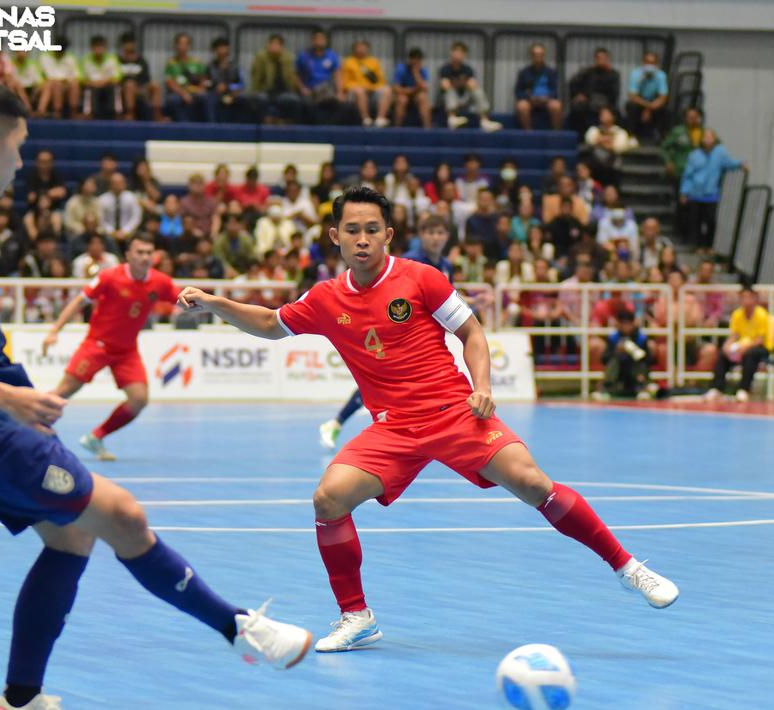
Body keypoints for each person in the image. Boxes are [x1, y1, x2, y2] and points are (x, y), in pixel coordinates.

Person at [0, 80, 311, 710]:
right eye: (19, 146)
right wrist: (8, 401)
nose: (20, 162)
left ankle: (20, 699)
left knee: (71, 538)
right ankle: (239, 629)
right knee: (122, 516)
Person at [178, 186, 678, 653]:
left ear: (388, 235)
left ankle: (628, 567)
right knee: (328, 498)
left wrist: (483, 386)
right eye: (352, 230)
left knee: (532, 482)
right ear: (335, 236)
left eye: (372, 229)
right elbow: (270, 324)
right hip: (392, 428)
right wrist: (214, 303)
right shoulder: (326, 298)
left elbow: (472, 333)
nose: (362, 239)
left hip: (453, 411)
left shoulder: (421, 278)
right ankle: (356, 618)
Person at [318, 214, 456, 450]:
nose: (435, 238)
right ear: (421, 236)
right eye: (430, 233)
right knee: (380, 383)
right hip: (391, 332)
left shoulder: (446, 265)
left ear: (447, 237)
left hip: (421, 337)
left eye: (440, 233)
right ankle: (339, 423)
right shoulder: (412, 262)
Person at [43, 234, 173, 461]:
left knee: (139, 399)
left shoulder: (160, 282)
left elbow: (182, 299)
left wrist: (213, 306)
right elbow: (79, 301)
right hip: (97, 345)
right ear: (128, 255)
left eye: (148, 253)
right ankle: (21, 426)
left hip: (127, 351)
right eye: (140, 252)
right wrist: (54, 331)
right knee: (62, 393)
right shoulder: (109, 277)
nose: (145, 257)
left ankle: (96, 437)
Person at [680, 129, 745, 254]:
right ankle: (698, 246)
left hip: (711, 194)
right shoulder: (694, 155)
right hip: (695, 193)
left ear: (714, 139)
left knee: (710, 220)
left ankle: (709, 245)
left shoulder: (720, 152)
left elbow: (729, 163)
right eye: (705, 136)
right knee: (696, 221)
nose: (707, 139)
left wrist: (740, 164)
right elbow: (688, 175)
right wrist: (684, 192)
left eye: (710, 137)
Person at [705, 286, 773, 402]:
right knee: (722, 354)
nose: (746, 300)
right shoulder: (737, 314)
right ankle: (716, 389)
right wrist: (727, 346)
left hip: (760, 348)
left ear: (754, 298)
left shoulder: (762, 314)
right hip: (741, 347)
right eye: (743, 297)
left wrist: (744, 348)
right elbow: (734, 335)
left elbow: (760, 339)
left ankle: (744, 390)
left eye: (748, 297)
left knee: (750, 354)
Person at [438, 42, 502, 131]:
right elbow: (445, 85)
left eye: (461, 52)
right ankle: (452, 118)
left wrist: (461, 84)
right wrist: (462, 83)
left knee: (477, 91)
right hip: (448, 100)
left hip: (464, 98)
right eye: (456, 51)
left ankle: (484, 121)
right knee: (450, 91)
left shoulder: (468, 69)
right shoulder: (445, 69)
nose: (458, 54)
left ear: (464, 55)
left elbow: (473, 85)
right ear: (451, 53)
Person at [595, 309, 653, 400]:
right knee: (613, 362)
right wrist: (616, 351)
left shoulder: (640, 338)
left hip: (634, 370)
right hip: (619, 370)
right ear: (618, 324)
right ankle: (606, 388)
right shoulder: (613, 338)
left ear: (633, 323)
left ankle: (642, 388)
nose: (626, 327)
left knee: (641, 365)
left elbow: (648, 359)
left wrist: (634, 351)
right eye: (623, 323)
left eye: (628, 324)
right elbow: (604, 359)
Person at [249, 34, 303, 124]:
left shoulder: (287, 58)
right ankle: (260, 127)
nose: (274, 46)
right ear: (268, 45)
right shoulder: (260, 57)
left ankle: (292, 127)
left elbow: (291, 77)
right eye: (272, 44)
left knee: (295, 100)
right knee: (259, 99)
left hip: (283, 92)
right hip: (265, 91)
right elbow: (256, 77)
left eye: (277, 44)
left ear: (282, 47)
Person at [565, 47, 621, 135]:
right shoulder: (587, 72)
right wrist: (578, 94)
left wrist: (606, 108)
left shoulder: (614, 74)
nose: (601, 61)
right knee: (577, 106)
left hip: (605, 103)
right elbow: (573, 83)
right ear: (595, 59)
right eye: (599, 58)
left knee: (613, 112)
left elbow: (614, 95)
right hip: (587, 101)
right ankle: (579, 137)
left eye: (604, 58)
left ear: (607, 59)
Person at [296, 29, 345, 125]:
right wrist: (302, 88)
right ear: (312, 41)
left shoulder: (332, 56)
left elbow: (338, 75)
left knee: (342, 103)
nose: (319, 41)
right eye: (317, 39)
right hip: (311, 90)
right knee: (306, 103)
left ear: (326, 41)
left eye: (322, 39)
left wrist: (340, 92)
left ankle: (330, 128)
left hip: (328, 90)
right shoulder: (304, 56)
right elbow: (296, 75)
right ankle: (317, 128)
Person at [342, 40, 392, 128]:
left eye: (363, 47)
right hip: (354, 92)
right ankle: (366, 120)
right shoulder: (348, 62)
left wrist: (371, 88)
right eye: (358, 47)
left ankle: (380, 119)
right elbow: (345, 83)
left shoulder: (374, 62)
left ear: (367, 49)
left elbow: (381, 81)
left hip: (372, 90)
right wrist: (360, 87)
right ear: (354, 49)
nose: (361, 50)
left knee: (387, 90)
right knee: (360, 91)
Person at [513, 43, 562, 131]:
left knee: (557, 106)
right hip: (530, 100)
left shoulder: (551, 72)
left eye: (540, 55)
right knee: (522, 106)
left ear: (544, 56)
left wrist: (547, 97)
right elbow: (518, 91)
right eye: (535, 55)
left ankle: (556, 133)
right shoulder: (524, 72)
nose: (538, 57)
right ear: (531, 56)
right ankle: (528, 133)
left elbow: (554, 91)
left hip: (547, 100)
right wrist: (529, 97)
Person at [626, 51, 669, 144]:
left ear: (656, 64)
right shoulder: (636, 74)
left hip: (654, 101)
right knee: (631, 106)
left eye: (652, 63)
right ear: (643, 63)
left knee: (664, 110)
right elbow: (632, 96)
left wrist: (650, 107)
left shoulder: (661, 75)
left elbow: (663, 97)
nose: (649, 65)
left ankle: (662, 138)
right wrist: (648, 106)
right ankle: (631, 136)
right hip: (640, 101)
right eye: (647, 62)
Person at [164, 32, 208, 122]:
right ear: (176, 46)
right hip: (179, 93)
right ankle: (183, 125)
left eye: (185, 44)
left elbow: (203, 78)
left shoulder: (196, 62)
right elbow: (169, 82)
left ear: (189, 46)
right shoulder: (171, 63)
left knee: (206, 97)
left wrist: (202, 89)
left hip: (195, 91)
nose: (183, 47)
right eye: (180, 44)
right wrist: (183, 94)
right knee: (172, 100)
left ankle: (209, 126)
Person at [118, 32, 162, 121]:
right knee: (129, 85)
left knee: (155, 85)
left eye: (131, 43)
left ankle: (157, 115)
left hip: (140, 87)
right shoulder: (118, 61)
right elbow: (116, 77)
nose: (129, 45)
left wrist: (140, 88)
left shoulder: (141, 61)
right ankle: (130, 114)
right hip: (123, 88)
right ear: (122, 45)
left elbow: (146, 78)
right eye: (126, 43)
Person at [205, 37, 247, 123]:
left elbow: (241, 84)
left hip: (233, 93)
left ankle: (240, 127)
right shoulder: (210, 67)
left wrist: (228, 87)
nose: (222, 50)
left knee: (244, 99)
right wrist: (215, 86)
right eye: (219, 47)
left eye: (224, 47)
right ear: (215, 50)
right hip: (216, 94)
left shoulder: (235, 66)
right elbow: (206, 82)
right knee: (209, 99)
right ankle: (212, 125)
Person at [81, 35, 122, 120]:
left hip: (108, 86)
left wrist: (103, 82)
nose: (98, 49)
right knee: (89, 90)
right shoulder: (85, 59)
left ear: (105, 47)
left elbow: (117, 77)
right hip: (92, 86)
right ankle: (90, 114)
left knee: (114, 88)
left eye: (100, 46)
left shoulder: (112, 59)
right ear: (91, 48)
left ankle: (115, 114)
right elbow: (81, 78)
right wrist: (94, 83)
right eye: (96, 46)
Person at [391, 48, 432, 129]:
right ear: (409, 59)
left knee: (423, 98)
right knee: (402, 100)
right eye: (413, 59)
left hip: (416, 96)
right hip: (403, 95)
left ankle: (428, 129)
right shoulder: (401, 69)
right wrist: (413, 90)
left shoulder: (423, 71)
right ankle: (397, 129)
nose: (415, 62)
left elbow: (425, 89)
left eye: (418, 60)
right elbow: (395, 88)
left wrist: (416, 74)